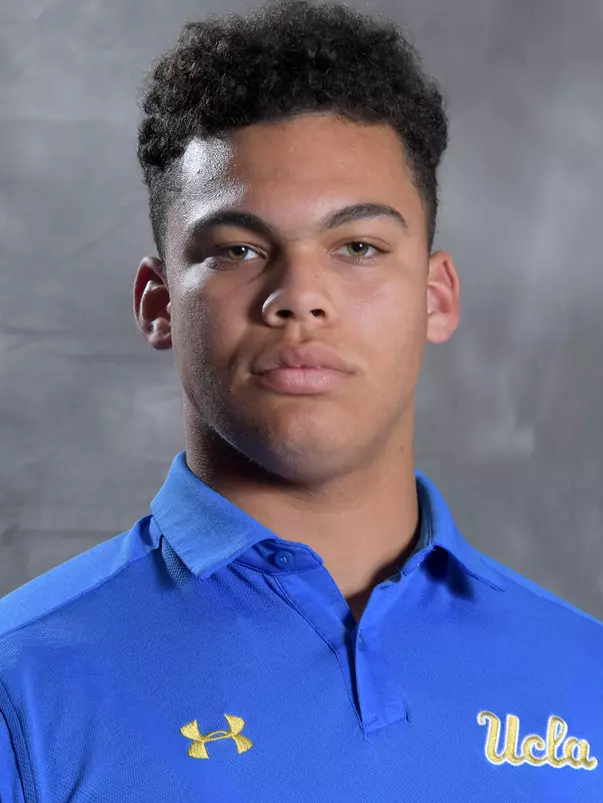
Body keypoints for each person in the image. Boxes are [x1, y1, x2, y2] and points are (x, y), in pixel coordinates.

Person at [1, 0, 602, 800]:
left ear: (435, 295)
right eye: (238, 249)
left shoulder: (583, 672)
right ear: (155, 304)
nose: (298, 297)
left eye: (357, 246)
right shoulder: (22, 683)